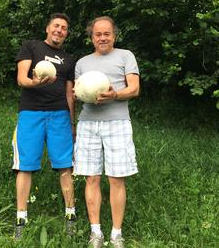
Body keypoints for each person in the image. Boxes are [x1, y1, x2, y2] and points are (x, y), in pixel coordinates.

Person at [73, 16, 140, 248]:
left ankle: (116, 234)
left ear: (114, 35)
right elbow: (78, 90)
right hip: (88, 123)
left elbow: (134, 89)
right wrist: (79, 94)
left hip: (117, 122)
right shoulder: (82, 63)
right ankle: (96, 233)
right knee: (91, 177)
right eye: (98, 34)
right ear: (92, 37)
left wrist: (114, 95)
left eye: (107, 34)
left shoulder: (126, 56)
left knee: (116, 178)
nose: (102, 38)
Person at [11, 13, 76, 239]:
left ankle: (70, 214)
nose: (59, 30)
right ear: (48, 28)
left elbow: (70, 93)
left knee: (65, 165)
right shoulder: (32, 47)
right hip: (31, 113)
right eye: (56, 26)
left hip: (59, 115)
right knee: (25, 165)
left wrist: (71, 121)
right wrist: (35, 82)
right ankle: (21, 216)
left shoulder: (69, 59)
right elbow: (22, 79)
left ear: (66, 33)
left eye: (64, 28)